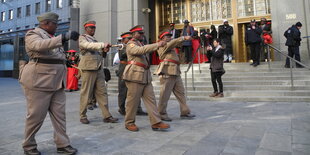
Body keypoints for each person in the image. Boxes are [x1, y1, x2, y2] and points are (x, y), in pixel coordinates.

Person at [19, 12, 79, 155]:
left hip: (57, 81)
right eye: (55, 24)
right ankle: (29, 145)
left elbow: (54, 54)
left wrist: (65, 60)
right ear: (46, 23)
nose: (57, 27)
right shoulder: (33, 34)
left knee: (60, 116)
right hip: (39, 80)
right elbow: (38, 46)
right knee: (36, 116)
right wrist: (63, 37)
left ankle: (62, 144)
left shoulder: (52, 37)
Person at [122, 25, 170, 132]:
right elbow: (140, 50)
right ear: (134, 34)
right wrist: (157, 44)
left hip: (145, 76)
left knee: (151, 100)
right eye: (139, 33)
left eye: (143, 33)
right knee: (132, 101)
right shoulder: (131, 44)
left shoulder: (140, 43)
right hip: (135, 75)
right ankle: (129, 122)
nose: (142, 35)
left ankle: (156, 122)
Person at [78, 21, 118, 124]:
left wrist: (104, 50)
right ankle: (82, 115)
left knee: (102, 93)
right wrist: (102, 44)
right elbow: (87, 46)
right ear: (86, 29)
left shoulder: (95, 41)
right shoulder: (83, 38)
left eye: (94, 28)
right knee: (86, 92)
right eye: (90, 28)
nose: (93, 30)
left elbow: (101, 55)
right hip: (88, 68)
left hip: (98, 68)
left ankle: (107, 115)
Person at [154, 30, 196, 121]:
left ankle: (185, 111)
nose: (169, 37)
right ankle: (161, 113)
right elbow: (172, 43)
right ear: (162, 38)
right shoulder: (162, 45)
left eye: (170, 36)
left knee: (181, 93)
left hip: (175, 71)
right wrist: (183, 38)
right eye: (167, 36)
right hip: (167, 70)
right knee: (164, 94)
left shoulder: (171, 45)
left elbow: (175, 45)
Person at [117, 32, 147, 116]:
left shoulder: (135, 45)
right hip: (124, 69)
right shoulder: (122, 46)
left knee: (136, 90)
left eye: (131, 38)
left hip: (133, 69)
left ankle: (138, 108)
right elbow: (123, 55)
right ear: (123, 40)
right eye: (128, 39)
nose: (130, 40)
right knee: (123, 90)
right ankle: (122, 108)